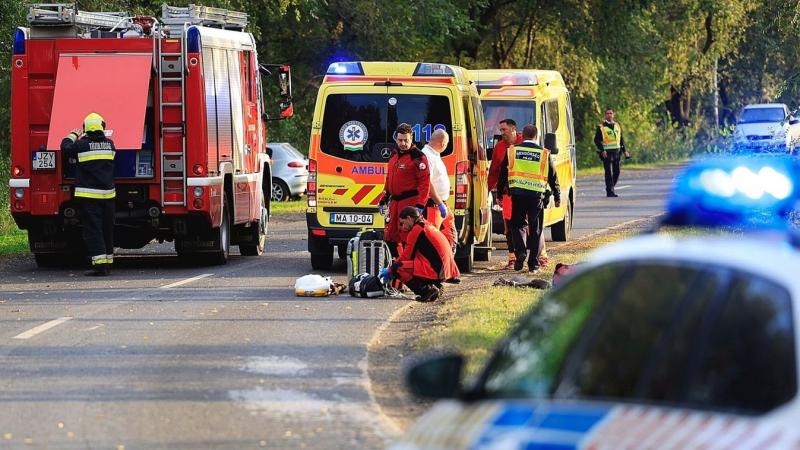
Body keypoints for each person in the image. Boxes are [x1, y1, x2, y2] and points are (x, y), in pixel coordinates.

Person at [61, 113, 116, 276]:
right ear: (102, 127)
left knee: (94, 230)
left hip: (90, 196)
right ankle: (108, 263)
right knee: (107, 230)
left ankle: (99, 266)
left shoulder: (81, 145)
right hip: (108, 195)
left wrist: (73, 135)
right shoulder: (110, 145)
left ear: (85, 129)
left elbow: (65, 148)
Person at [499, 124, 560, 273]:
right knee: (535, 229)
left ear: (523, 135)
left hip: (518, 195)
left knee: (517, 225)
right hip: (536, 197)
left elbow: (502, 174)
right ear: (536, 136)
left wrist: (500, 193)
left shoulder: (512, 151)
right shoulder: (544, 154)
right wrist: (557, 196)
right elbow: (553, 176)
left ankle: (520, 252)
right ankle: (533, 263)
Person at [382, 206, 460, 302]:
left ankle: (425, 290)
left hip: (438, 270)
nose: (403, 227)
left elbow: (406, 256)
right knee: (412, 264)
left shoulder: (417, 230)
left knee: (398, 268)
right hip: (446, 269)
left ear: (409, 218)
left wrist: (390, 270)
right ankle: (435, 286)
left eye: (403, 223)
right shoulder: (427, 225)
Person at [379, 123, 430, 256]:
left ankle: (407, 266)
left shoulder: (418, 157)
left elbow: (425, 183)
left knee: (406, 236)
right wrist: (384, 197)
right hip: (395, 203)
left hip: (409, 203)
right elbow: (389, 178)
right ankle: (394, 265)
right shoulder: (394, 155)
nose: (403, 143)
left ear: (411, 138)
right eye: (400, 140)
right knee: (391, 235)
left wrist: (419, 206)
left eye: (406, 140)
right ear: (396, 139)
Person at [487, 119, 523, 269]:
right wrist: (487, 189)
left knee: (530, 226)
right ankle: (512, 258)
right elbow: (495, 171)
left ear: (513, 128)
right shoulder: (499, 147)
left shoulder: (524, 142)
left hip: (525, 192)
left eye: (504, 130)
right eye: (500, 130)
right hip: (508, 193)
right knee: (509, 225)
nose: (502, 133)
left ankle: (539, 257)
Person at [420, 128, 456, 251]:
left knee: (449, 238)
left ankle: (446, 267)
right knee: (432, 240)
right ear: (443, 143)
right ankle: (435, 268)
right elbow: (426, 182)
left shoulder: (434, 155)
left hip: (439, 204)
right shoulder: (427, 156)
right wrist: (439, 203)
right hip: (432, 205)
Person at [594, 108, 630, 197]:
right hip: (607, 153)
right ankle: (610, 191)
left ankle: (610, 187)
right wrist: (602, 150)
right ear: (605, 115)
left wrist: (625, 151)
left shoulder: (617, 125)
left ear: (613, 114)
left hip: (617, 152)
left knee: (617, 172)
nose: (609, 115)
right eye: (607, 113)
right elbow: (596, 140)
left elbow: (621, 139)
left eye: (611, 113)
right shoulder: (601, 127)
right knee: (608, 173)